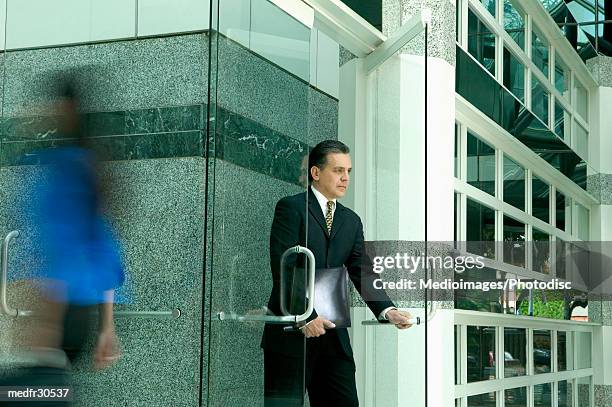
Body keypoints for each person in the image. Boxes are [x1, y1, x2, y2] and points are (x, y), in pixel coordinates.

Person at [261, 140, 413, 406]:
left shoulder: (351, 220)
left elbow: (361, 270)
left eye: (349, 171)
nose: (345, 178)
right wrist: (305, 314)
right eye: (338, 170)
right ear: (316, 173)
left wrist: (387, 310)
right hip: (292, 331)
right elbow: (284, 266)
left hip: (334, 335)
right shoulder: (291, 207)